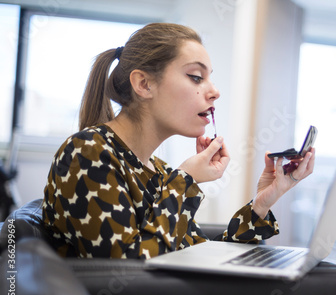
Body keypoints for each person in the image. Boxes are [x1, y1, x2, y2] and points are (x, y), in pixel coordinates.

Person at [42, 23, 315, 259]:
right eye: (196, 77)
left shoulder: (157, 169)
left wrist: (263, 203)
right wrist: (184, 179)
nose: (215, 92)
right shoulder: (87, 152)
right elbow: (128, 270)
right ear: (144, 84)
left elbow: (196, 253)